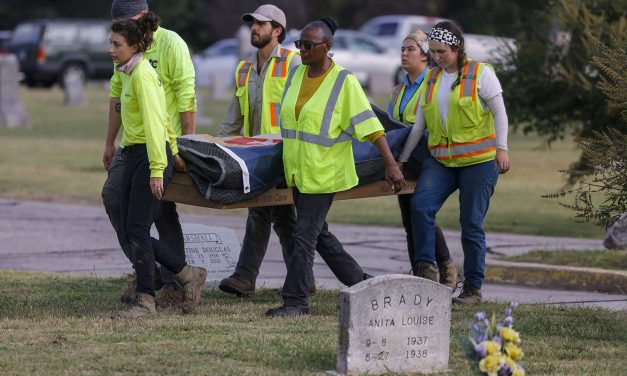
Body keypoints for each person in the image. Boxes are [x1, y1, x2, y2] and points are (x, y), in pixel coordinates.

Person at [266, 17, 405, 317]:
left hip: (325, 174)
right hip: (298, 171)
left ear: (328, 47)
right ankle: (359, 282)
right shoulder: (295, 76)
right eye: (299, 44)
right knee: (319, 235)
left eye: (309, 45)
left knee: (304, 236)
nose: (302, 49)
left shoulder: (344, 82)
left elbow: (371, 127)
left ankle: (296, 302)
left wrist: (391, 166)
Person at [398, 21, 510, 305]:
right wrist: (401, 159)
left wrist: (502, 149)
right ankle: (426, 270)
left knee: (471, 225)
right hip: (442, 162)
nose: (436, 57)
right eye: (433, 52)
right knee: (420, 205)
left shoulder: (480, 73)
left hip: (479, 162)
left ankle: (472, 289)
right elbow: (420, 124)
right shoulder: (432, 78)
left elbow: (500, 113)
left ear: (457, 47)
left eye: (442, 52)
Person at [107, 16, 207, 319]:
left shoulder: (141, 75)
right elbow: (163, 118)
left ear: (135, 46)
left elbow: (154, 125)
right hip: (136, 152)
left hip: (148, 157)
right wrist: (172, 151)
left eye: (116, 44)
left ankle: (146, 301)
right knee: (131, 228)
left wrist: (157, 167)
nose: (110, 50)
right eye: (110, 43)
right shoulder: (128, 72)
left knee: (137, 230)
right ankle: (187, 273)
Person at [218, 4, 316, 297]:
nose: (254, 28)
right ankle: (299, 278)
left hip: (283, 154)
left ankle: (247, 276)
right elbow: (233, 117)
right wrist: (217, 145)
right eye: (252, 23)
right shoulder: (244, 67)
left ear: (278, 31)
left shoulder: (294, 62)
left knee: (266, 213)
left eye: (261, 24)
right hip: (256, 156)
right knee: (278, 216)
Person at [388, 30, 457, 289]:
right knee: (410, 218)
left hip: (428, 156)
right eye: (402, 49)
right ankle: (421, 270)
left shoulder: (436, 84)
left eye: (410, 49)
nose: (404, 54)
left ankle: (443, 267)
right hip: (403, 159)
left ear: (426, 55)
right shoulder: (397, 90)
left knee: (420, 212)